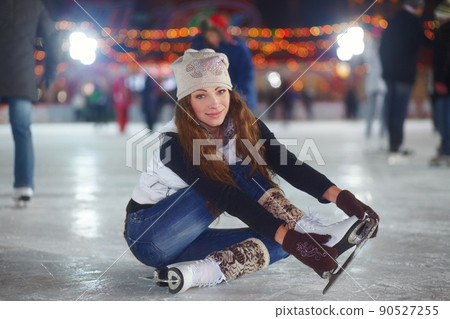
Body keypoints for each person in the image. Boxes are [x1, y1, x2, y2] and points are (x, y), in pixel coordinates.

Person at [124, 49, 379, 294]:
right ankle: (308, 231)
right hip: (148, 233)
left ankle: (196, 273)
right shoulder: (174, 141)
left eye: (220, 91)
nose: (214, 104)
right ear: (186, 102)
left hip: (187, 240)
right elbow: (226, 196)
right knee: (238, 171)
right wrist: (293, 236)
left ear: (230, 92)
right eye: (200, 95)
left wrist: (341, 197)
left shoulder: (242, 125)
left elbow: (286, 162)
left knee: (276, 236)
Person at [0, 0, 59, 206]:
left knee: (22, 129)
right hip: (21, 76)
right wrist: (49, 74)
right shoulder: (34, 5)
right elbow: (52, 40)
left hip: (17, 75)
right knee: (22, 130)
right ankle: (23, 185)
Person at [379, 0, 426, 154]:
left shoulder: (393, 21)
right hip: (404, 75)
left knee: (392, 109)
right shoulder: (412, 22)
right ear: (416, 8)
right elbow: (423, 41)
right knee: (399, 110)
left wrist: (386, 70)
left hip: (391, 74)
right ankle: (396, 144)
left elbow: (382, 48)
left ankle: (393, 142)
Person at [191, 14, 258, 112]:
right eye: (208, 35)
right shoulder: (202, 48)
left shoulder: (237, 48)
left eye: (214, 34)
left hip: (238, 98)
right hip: (214, 102)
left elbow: (247, 73)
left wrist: (240, 95)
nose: (212, 38)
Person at [430, 0, 450, 166]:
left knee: (444, 119)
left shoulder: (445, 32)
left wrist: (441, 80)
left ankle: (446, 151)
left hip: (445, 85)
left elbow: (445, 59)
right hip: (445, 83)